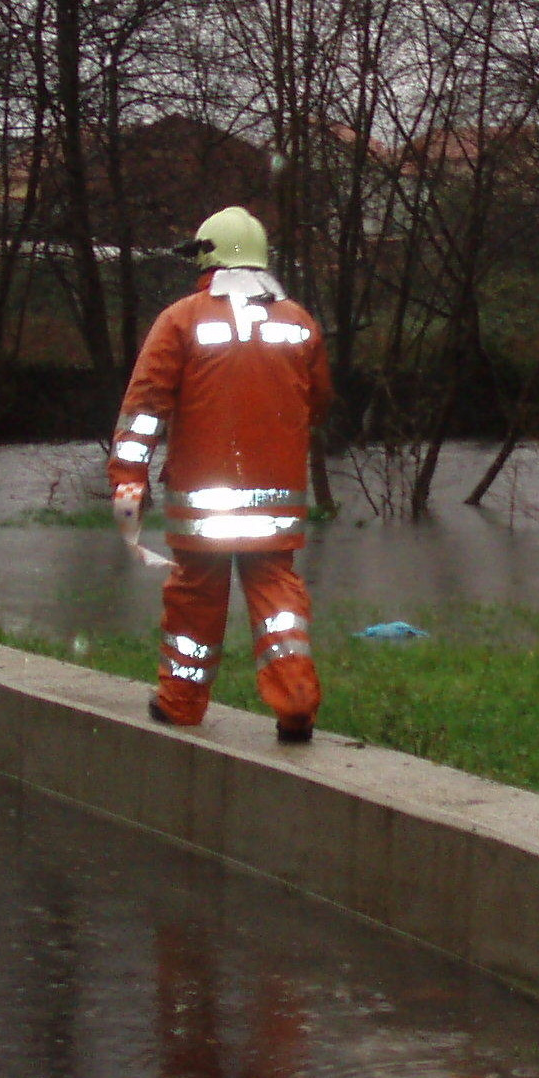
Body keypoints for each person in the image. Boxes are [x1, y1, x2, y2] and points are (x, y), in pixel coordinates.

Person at [107, 206, 331, 741]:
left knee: (194, 599)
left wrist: (128, 480)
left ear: (207, 256)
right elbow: (317, 404)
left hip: (201, 504)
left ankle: (181, 704)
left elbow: (144, 410)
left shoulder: (181, 319)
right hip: (275, 504)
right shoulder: (299, 323)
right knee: (279, 601)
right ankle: (295, 701)